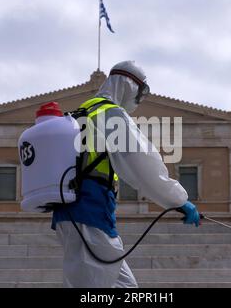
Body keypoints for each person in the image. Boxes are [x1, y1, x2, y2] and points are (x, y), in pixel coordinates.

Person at [51, 61, 201, 288]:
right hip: (88, 213)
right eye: (140, 94)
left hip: (79, 214)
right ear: (129, 86)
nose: (139, 102)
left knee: (126, 287)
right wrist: (179, 200)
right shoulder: (109, 113)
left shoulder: (84, 111)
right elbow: (142, 164)